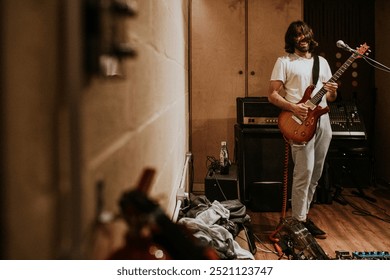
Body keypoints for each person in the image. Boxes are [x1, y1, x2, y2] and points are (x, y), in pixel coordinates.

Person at [268, 20, 338, 239]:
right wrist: (293, 107)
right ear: (292, 39)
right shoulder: (284, 61)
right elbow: (272, 94)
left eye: (305, 34)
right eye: (298, 35)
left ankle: (303, 217)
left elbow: (330, 97)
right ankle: (298, 222)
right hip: (299, 123)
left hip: (322, 121)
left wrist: (333, 91)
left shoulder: (322, 62)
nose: (303, 38)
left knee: (315, 174)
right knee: (303, 173)